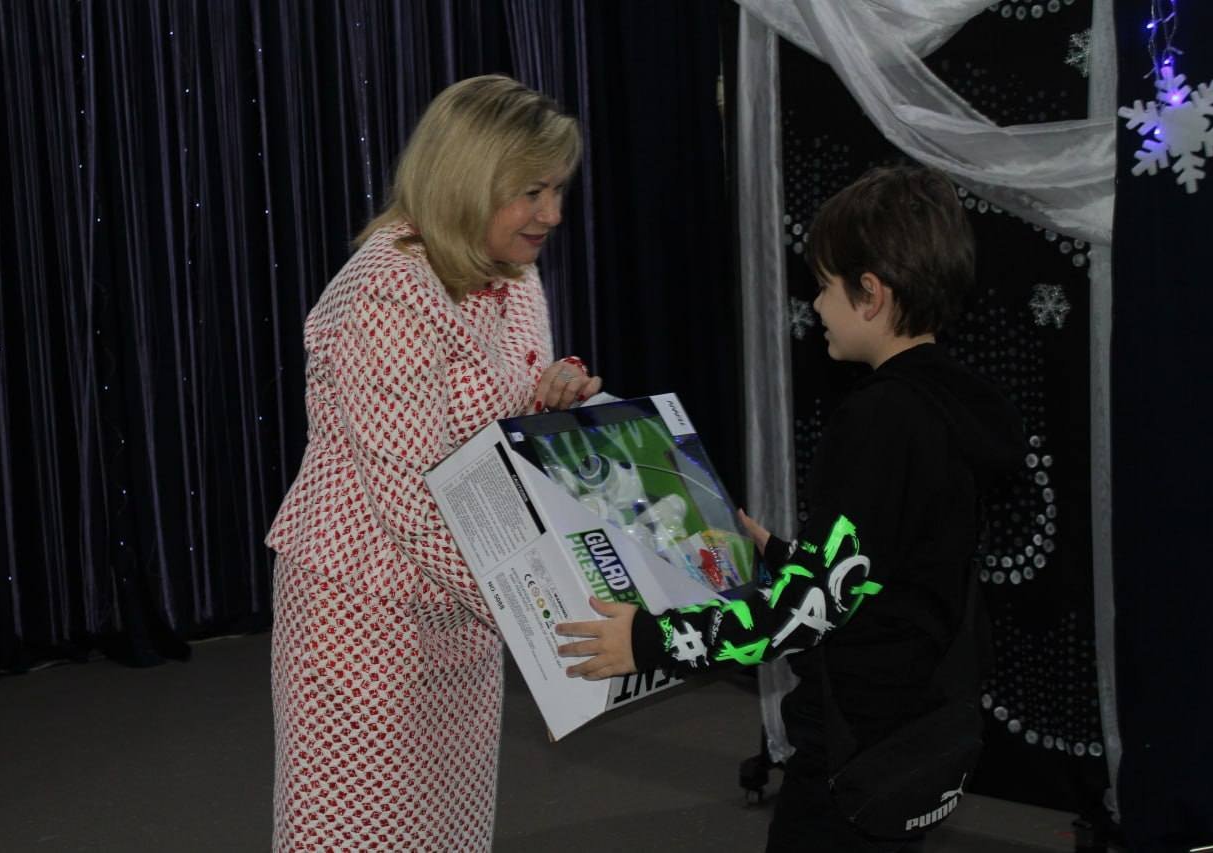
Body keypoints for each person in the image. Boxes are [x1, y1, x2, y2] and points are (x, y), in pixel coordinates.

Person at [556, 165, 1025, 852]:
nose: (816, 304)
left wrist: (651, 641)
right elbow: (891, 563)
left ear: (871, 294)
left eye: (825, 285)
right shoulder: (959, 405)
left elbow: (806, 613)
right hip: (919, 722)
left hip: (855, 748)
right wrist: (779, 551)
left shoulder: (877, 420)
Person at [266, 74, 601, 852]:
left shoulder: (513, 269)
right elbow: (412, 501)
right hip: (364, 611)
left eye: (557, 189)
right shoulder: (387, 290)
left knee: (447, 827)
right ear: (466, 181)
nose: (552, 213)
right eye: (531, 192)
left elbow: (493, 424)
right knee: (356, 830)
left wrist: (551, 397)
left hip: (466, 600)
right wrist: (540, 616)